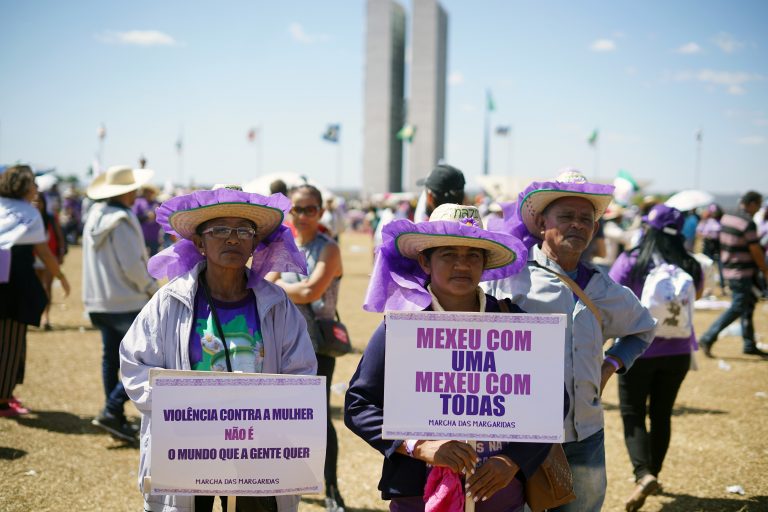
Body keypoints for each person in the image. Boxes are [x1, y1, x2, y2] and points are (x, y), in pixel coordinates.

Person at [345, 203, 559, 512]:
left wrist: (511, 460)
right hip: (418, 494)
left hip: (500, 494)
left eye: (473, 255)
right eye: (449, 255)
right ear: (425, 261)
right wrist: (419, 446)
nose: (462, 265)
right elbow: (359, 404)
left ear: (484, 264)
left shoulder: (513, 321)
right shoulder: (403, 327)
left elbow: (553, 401)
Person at [120, 187, 317, 512]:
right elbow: (135, 364)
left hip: (258, 452)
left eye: (244, 231)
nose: (232, 239)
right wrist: (181, 407)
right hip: (187, 451)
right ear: (199, 242)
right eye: (220, 230)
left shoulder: (277, 304)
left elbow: (302, 373)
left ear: (255, 243)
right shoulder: (170, 302)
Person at [485, 169, 656, 512]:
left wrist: (611, 365)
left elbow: (643, 328)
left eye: (585, 219)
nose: (577, 225)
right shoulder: (510, 279)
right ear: (542, 223)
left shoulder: (604, 287)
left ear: (595, 228)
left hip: (586, 435)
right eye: (566, 217)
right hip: (521, 438)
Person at [608, 204, 703, 512]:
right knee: (661, 414)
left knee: (632, 412)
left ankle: (643, 473)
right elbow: (695, 297)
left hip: (637, 350)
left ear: (648, 228)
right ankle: (654, 473)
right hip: (679, 352)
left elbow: (611, 297)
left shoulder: (632, 261)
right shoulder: (691, 264)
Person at [265, 184, 346, 512]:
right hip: (282, 343)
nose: (303, 215)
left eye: (310, 209)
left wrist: (279, 287)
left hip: (317, 348)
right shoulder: (284, 246)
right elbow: (265, 283)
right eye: (297, 209)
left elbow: (312, 291)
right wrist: (286, 287)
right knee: (281, 417)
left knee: (320, 420)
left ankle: (331, 490)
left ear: (321, 212)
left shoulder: (330, 248)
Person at [82, 165, 160, 442]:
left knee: (111, 358)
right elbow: (132, 265)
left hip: (98, 300)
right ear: (128, 191)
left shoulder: (95, 215)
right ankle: (112, 409)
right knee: (142, 359)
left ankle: (112, 416)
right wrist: (151, 288)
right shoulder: (123, 220)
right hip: (126, 299)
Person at [0, 165, 71, 417]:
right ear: (23, 187)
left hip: (6, 281)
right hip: (16, 285)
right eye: (33, 184)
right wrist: (60, 276)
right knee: (11, 341)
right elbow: (43, 252)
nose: (37, 189)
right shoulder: (29, 213)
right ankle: (3, 398)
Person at [698, 191, 768, 357]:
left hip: (730, 269)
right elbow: (755, 250)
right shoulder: (747, 222)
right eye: (758, 205)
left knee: (747, 307)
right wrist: (765, 270)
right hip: (742, 272)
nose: (758, 209)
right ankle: (708, 337)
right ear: (751, 203)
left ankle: (749, 344)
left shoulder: (728, 217)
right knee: (739, 306)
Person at [32, 192, 67, 330]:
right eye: (33, 201)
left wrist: (61, 253)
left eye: (38, 201)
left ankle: (45, 317)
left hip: (49, 258)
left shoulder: (51, 218)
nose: (36, 204)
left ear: (43, 203)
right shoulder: (28, 219)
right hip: (32, 259)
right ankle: (36, 315)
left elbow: (60, 237)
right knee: (35, 288)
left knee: (47, 288)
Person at [133, 184, 162, 257]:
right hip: (142, 235)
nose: (149, 194)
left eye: (151, 192)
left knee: (154, 256)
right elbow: (135, 217)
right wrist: (147, 217)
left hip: (154, 235)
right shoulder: (138, 202)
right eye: (147, 192)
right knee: (140, 256)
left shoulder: (157, 203)